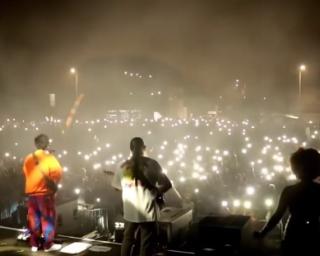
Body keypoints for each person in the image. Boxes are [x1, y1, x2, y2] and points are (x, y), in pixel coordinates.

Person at [254, 148, 320, 255]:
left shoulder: (290, 191)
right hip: (313, 232)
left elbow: (278, 215)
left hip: (294, 232)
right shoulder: (317, 190)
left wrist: (263, 233)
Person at [112, 137, 172, 256]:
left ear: (130, 148)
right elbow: (167, 184)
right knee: (146, 243)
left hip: (130, 210)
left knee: (127, 240)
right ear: (143, 148)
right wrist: (156, 192)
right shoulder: (152, 164)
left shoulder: (122, 165)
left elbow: (116, 187)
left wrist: (130, 189)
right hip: (148, 212)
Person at [23, 134, 62, 252]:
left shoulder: (28, 157)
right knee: (47, 218)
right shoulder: (49, 157)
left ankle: (34, 244)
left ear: (36, 144)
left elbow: (26, 172)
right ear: (45, 143)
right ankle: (48, 245)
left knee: (33, 219)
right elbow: (57, 174)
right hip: (45, 194)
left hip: (31, 194)